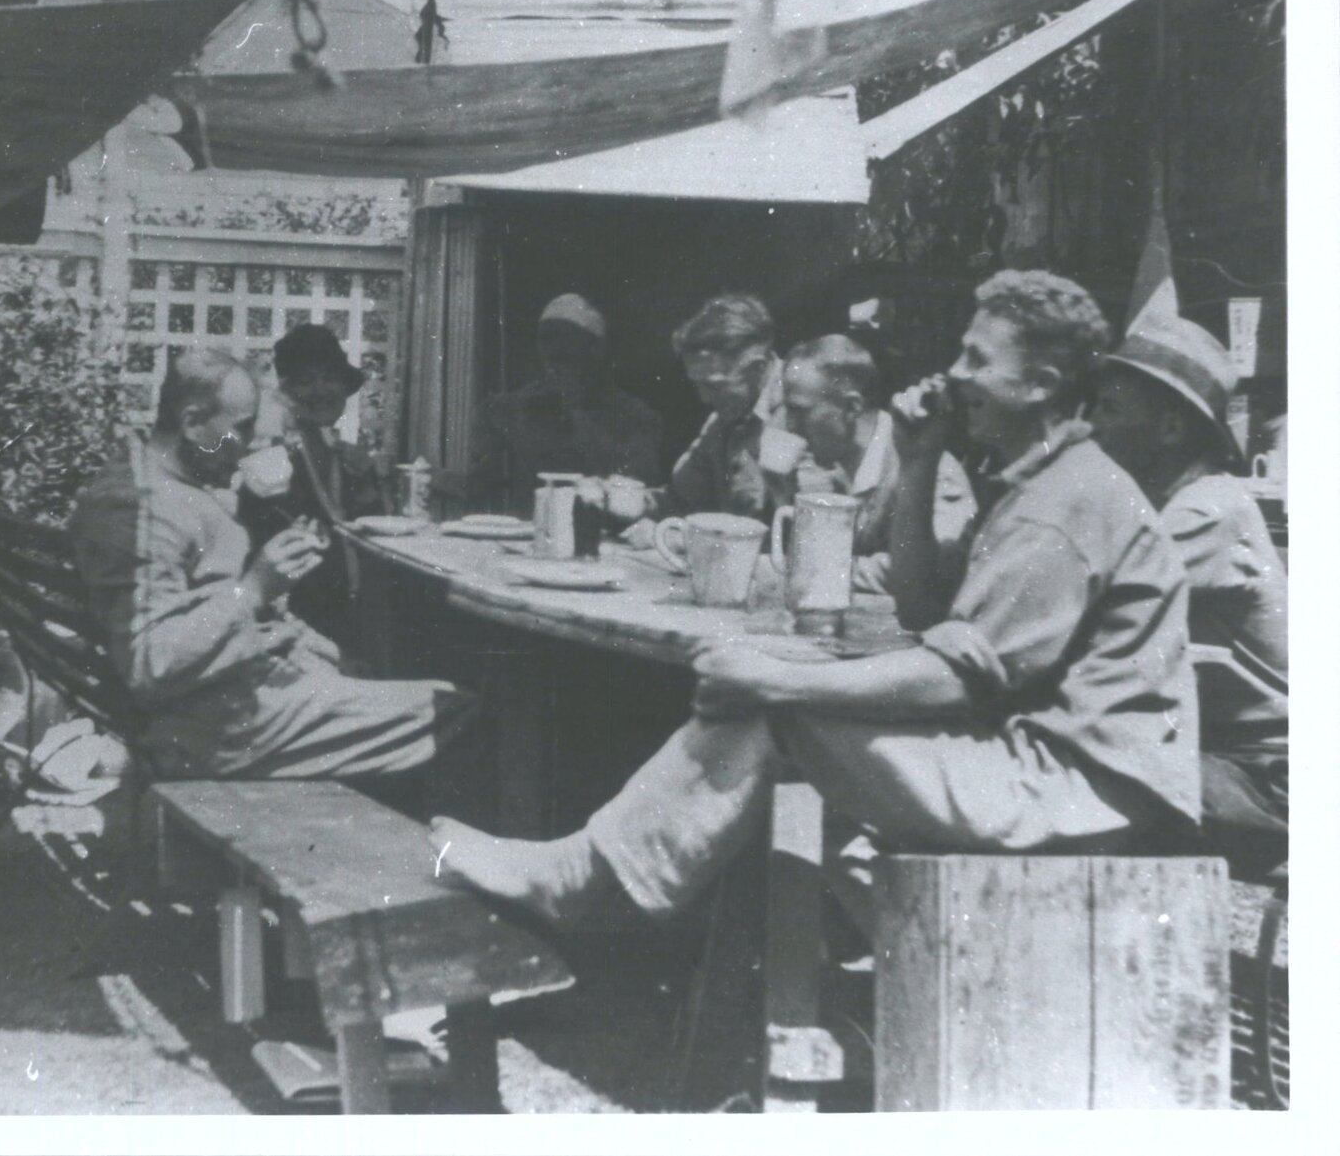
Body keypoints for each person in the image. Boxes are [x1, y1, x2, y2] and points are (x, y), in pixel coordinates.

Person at [432, 271, 1199, 927]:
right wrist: (922, 453)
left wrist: (778, 678)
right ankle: (597, 873)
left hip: (1076, 790)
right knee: (777, 701)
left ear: (1040, 385)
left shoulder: (1063, 501)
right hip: (1040, 766)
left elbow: (951, 676)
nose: (955, 372)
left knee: (776, 708)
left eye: (975, 358)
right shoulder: (1032, 481)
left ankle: (581, 875)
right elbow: (921, 610)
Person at [71, 348, 474, 780]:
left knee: (413, 684)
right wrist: (256, 588)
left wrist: (311, 642)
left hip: (238, 697)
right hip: (220, 728)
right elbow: (149, 662)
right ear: (191, 423)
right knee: (454, 707)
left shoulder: (161, 484)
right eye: (241, 430)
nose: (246, 449)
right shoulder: (139, 510)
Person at [1088, 314, 1288, 868]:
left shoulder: (1206, 510)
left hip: (1267, 776)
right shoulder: (1167, 505)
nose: (1091, 427)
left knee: (1080, 785)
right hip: (1224, 760)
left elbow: (1080, 608)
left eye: (1110, 408)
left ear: (1171, 429)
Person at [772, 334, 976, 589]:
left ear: (852, 408)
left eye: (800, 412)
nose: (790, 427)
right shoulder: (830, 470)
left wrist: (824, 569)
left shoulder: (931, 469)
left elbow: (939, 569)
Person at [237, 324, 388, 655]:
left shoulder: (342, 453)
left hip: (352, 619)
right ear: (286, 392)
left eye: (330, 377)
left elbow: (374, 544)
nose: (321, 390)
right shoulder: (272, 456)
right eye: (306, 381)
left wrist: (365, 484)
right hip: (294, 629)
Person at [468, 294, 665, 515]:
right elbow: (480, 483)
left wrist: (576, 412)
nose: (554, 352)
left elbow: (637, 491)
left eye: (566, 340)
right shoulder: (519, 407)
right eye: (546, 339)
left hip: (604, 539)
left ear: (595, 350)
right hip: (527, 538)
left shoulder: (637, 417)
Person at [656, 292, 788, 523]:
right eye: (697, 384)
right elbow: (679, 500)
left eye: (714, 385)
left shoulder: (806, 408)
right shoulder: (723, 421)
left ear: (757, 367)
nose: (704, 398)